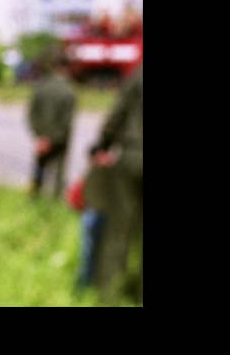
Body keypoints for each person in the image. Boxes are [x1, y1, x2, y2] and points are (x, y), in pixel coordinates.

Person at [84, 64, 142, 304]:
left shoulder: (139, 74)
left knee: (118, 231)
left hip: (131, 157)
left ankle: (108, 297)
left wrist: (102, 145)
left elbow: (118, 113)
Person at [27, 50, 77, 200]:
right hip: (59, 141)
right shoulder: (68, 91)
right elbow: (66, 121)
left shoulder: (40, 86)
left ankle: (33, 198)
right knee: (58, 173)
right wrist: (52, 138)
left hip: (41, 138)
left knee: (39, 169)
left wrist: (40, 136)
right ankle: (55, 203)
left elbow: (32, 113)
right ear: (66, 67)